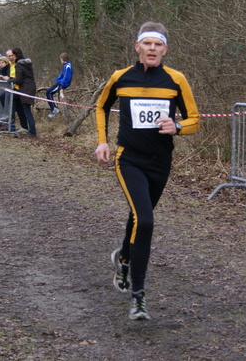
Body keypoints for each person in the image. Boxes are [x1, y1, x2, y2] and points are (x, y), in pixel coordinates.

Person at [94, 22, 200, 320]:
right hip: (129, 159)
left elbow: (195, 119)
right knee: (147, 220)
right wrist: (102, 141)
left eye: (158, 45)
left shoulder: (176, 80)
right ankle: (138, 295)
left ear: (165, 49)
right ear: (137, 47)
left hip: (160, 161)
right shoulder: (120, 77)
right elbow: (101, 107)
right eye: (147, 44)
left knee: (139, 217)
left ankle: (124, 257)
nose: (152, 49)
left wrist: (176, 127)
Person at [11, 48, 37, 137]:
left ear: (15, 55)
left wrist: (10, 80)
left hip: (26, 88)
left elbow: (18, 79)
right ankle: (26, 127)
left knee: (27, 111)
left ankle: (32, 132)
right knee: (24, 108)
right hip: (31, 87)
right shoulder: (27, 63)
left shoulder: (18, 65)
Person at [46, 52, 74, 118]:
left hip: (62, 84)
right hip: (60, 83)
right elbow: (62, 75)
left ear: (62, 59)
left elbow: (67, 78)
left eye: (60, 59)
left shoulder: (68, 66)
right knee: (49, 91)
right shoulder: (65, 65)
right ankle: (54, 108)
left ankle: (54, 109)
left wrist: (61, 86)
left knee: (48, 92)